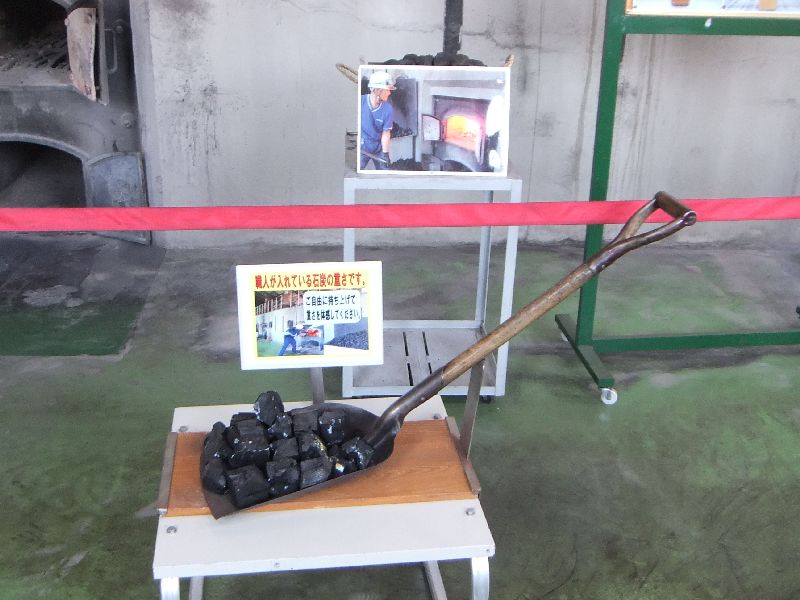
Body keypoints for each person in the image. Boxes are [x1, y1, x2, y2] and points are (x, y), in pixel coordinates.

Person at [360, 70, 395, 170]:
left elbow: (386, 133)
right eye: (387, 90)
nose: (389, 93)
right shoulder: (360, 102)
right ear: (378, 90)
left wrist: (385, 154)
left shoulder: (388, 109)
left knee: (385, 172)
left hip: (378, 146)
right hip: (362, 146)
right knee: (356, 170)